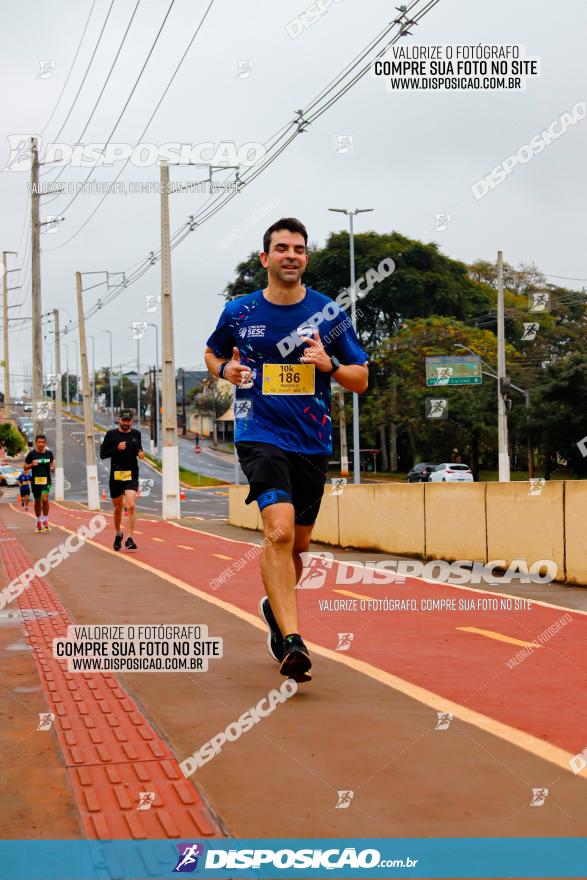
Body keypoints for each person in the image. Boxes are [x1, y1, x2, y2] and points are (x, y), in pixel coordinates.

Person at [205, 217, 369, 682]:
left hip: (311, 440)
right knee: (276, 532)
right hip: (259, 433)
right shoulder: (239, 312)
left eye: (298, 248)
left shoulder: (328, 315)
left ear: (306, 259)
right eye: (282, 248)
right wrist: (225, 373)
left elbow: (361, 379)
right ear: (266, 258)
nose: (291, 255)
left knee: (297, 543)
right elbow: (212, 352)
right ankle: (293, 640)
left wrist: (330, 363)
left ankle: (273, 607)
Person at [99, 408, 145, 551]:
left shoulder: (136, 434)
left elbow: (139, 449)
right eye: (123, 420)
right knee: (118, 508)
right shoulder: (111, 435)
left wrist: (140, 453)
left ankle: (130, 538)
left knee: (130, 505)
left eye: (128, 420)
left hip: (131, 475)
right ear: (119, 420)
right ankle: (118, 533)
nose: (126, 422)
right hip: (116, 476)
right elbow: (103, 454)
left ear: (132, 421)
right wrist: (116, 449)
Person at [24, 435, 55, 532]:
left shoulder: (49, 454)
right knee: (37, 501)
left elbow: (52, 462)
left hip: (46, 480)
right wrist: (31, 465)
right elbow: (25, 466)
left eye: (43, 442)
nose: (41, 444)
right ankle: (38, 521)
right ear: (36, 443)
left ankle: (45, 520)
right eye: (39, 442)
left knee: (45, 499)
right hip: (35, 481)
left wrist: (52, 468)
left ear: (45, 443)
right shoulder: (31, 454)